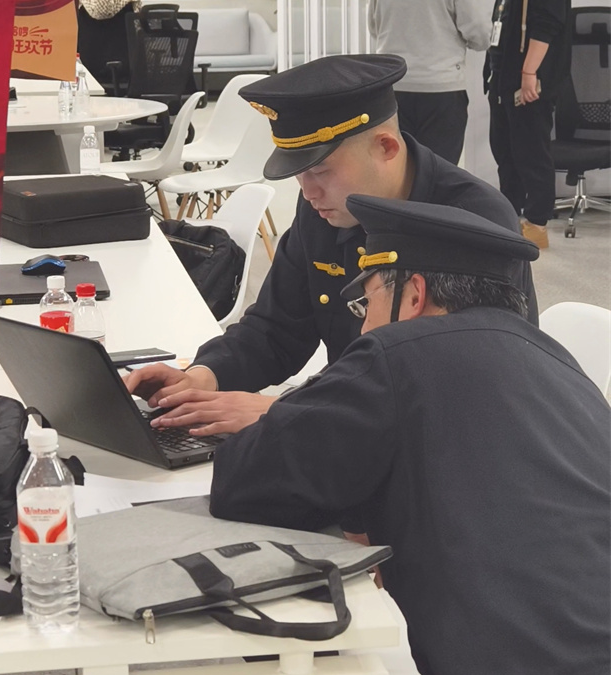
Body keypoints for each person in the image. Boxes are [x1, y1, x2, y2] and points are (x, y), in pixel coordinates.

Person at [210, 198, 611, 675]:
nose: (363, 324)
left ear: (414, 294)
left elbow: (242, 481)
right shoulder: (559, 362)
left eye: (366, 302)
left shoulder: (395, 353)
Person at [124, 54, 538, 435]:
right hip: (343, 426)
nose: (308, 193)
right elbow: (275, 329)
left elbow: (463, 391)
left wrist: (287, 411)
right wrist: (202, 377)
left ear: (386, 147)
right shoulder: (325, 209)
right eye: (299, 175)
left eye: (320, 171)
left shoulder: (474, 221)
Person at [368, 0, 489, 164]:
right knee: (439, 170)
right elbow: (480, 35)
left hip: (394, 90)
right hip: (441, 91)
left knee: (400, 168)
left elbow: (374, 28)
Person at [485, 0, 571, 250]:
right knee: (505, 150)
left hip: (528, 81)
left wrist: (529, 73)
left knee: (530, 152)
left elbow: (545, 24)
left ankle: (536, 223)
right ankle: (510, 218)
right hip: (504, 77)